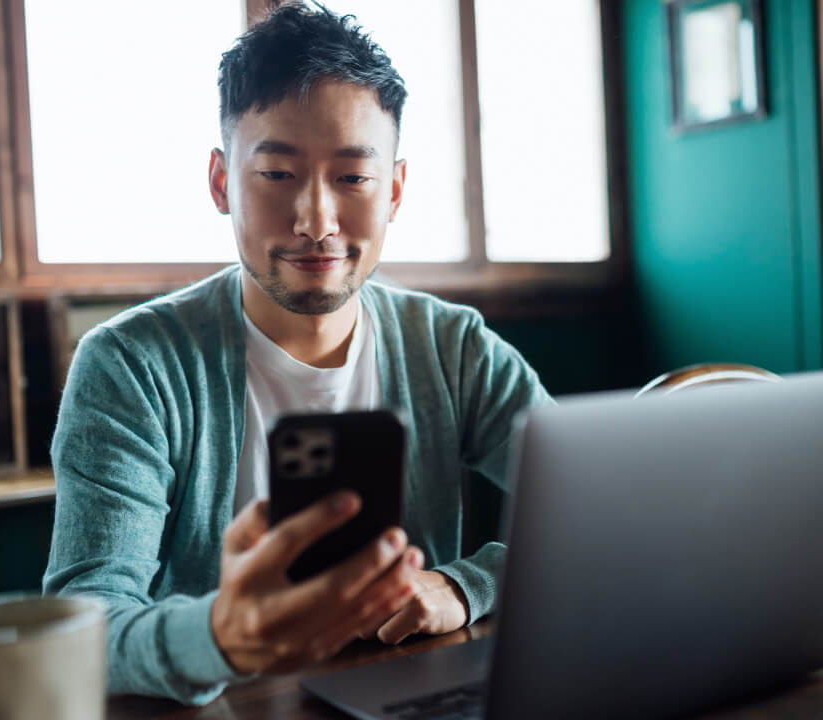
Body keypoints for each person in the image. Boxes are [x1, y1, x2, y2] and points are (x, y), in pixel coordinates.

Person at [43, 2, 550, 706]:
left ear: (394, 190)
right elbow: (84, 626)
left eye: (353, 178)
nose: (316, 221)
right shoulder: (131, 366)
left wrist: (465, 587)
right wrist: (220, 636)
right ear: (221, 182)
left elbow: (595, 520)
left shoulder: (452, 348)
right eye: (278, 174)